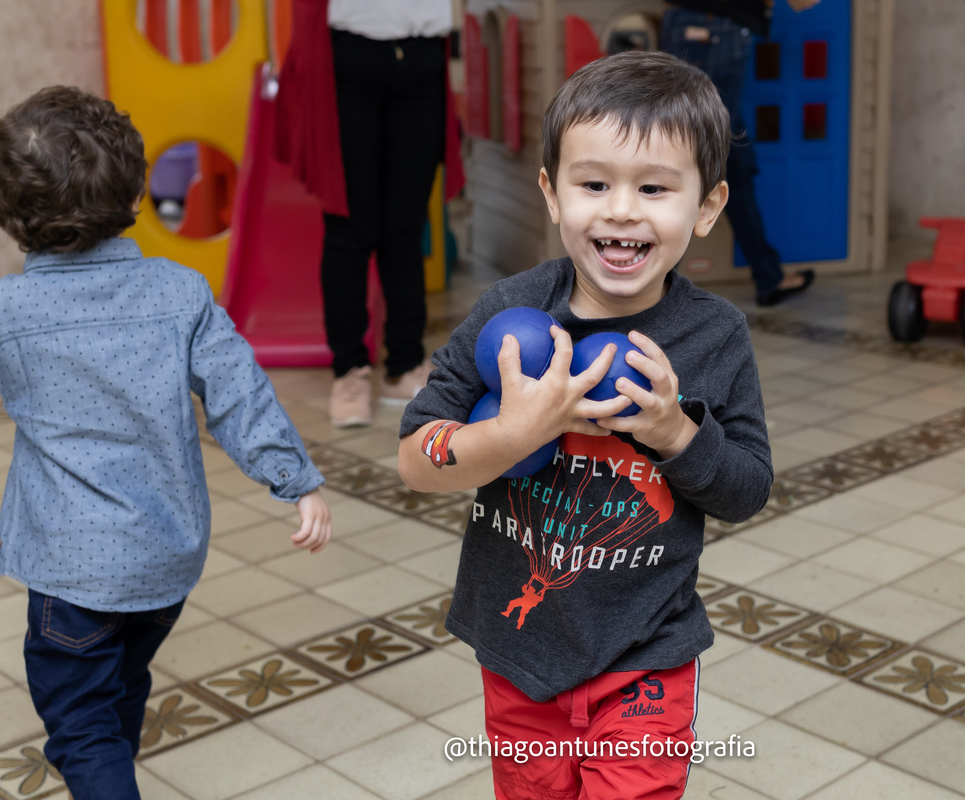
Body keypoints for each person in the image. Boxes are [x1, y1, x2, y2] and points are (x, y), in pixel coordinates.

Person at [397, 51, 773, 799]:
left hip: (647, 656)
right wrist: (512, 434)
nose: (622, 210)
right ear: (551, 192)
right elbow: (415, 455)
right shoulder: (511, 314)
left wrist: (672, 432)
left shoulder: (714, 336)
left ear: (706, 206)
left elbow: (748, 490)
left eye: (656, 188)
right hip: (519, 652)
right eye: (594, 183)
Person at [0, 86, 333, 800]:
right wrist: (295, 479)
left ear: (11, 217)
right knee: (119, 684)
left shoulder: (11, 312)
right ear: (136, 193)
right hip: (163, 560)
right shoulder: (181, 293)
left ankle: (100, 776)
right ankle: (104, 770)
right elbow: (239, 394)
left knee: (77, 719)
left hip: (70, 569)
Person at [275, 0, 464, 427]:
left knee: (405, 228)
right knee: (350, 229)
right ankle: (349, 372)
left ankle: (405, 363)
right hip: (348, 58)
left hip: (421, 56)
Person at [659, 0, 816, 307]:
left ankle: (767, 274)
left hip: (682, 22)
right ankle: (657, 291)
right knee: (707, 155)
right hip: (718, 27)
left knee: (711, 151)